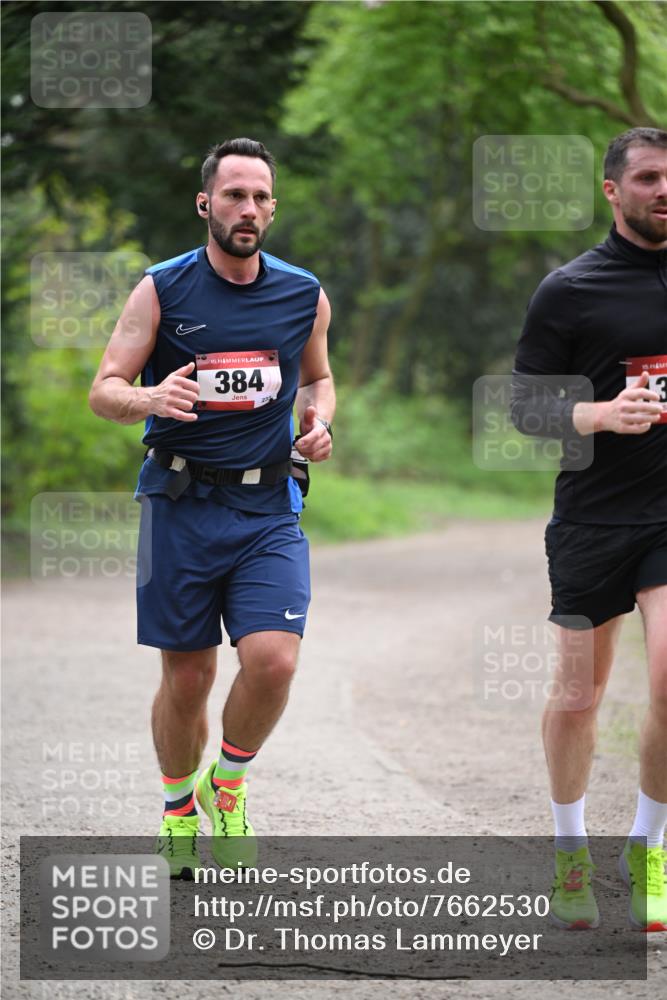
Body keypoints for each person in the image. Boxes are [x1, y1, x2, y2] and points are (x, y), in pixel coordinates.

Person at [89, 138, 335, 877]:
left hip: (267, 509)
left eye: (260, 197)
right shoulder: (161, 289)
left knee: (274, 660)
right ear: (206, 204)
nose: (249, 209)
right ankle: (175, 809)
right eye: (234, 195)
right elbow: (104, 387)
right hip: (180, 503)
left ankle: (226, 783)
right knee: (188, 677)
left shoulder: (301, 292)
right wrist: (149, 396)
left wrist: (320, 421)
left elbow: (318, 379)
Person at [511, 127, 667, 931]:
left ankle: (647, 848)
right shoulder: (569, 289)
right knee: (579, 694)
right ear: (612, 191)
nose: (662, 189)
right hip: (591, 518)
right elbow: (523, 405)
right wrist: (600, 413)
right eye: (646, 178)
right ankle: (569, 851)